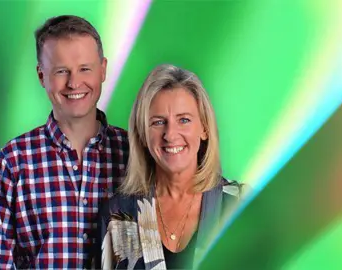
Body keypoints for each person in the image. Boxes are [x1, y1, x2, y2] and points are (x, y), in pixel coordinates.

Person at [0, 15, 129, 269]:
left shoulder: (133, 153)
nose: (74, 83)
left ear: (103, 69)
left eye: (85, 69)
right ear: (41, 75)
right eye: (61, 71)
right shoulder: (13, 162)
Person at [95, 64, 244, 269]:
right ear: (143, 135)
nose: (170, 134)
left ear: (204, 129)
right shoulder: (118, 216)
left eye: (184, 120)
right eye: (158, 122)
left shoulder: (240, 206)